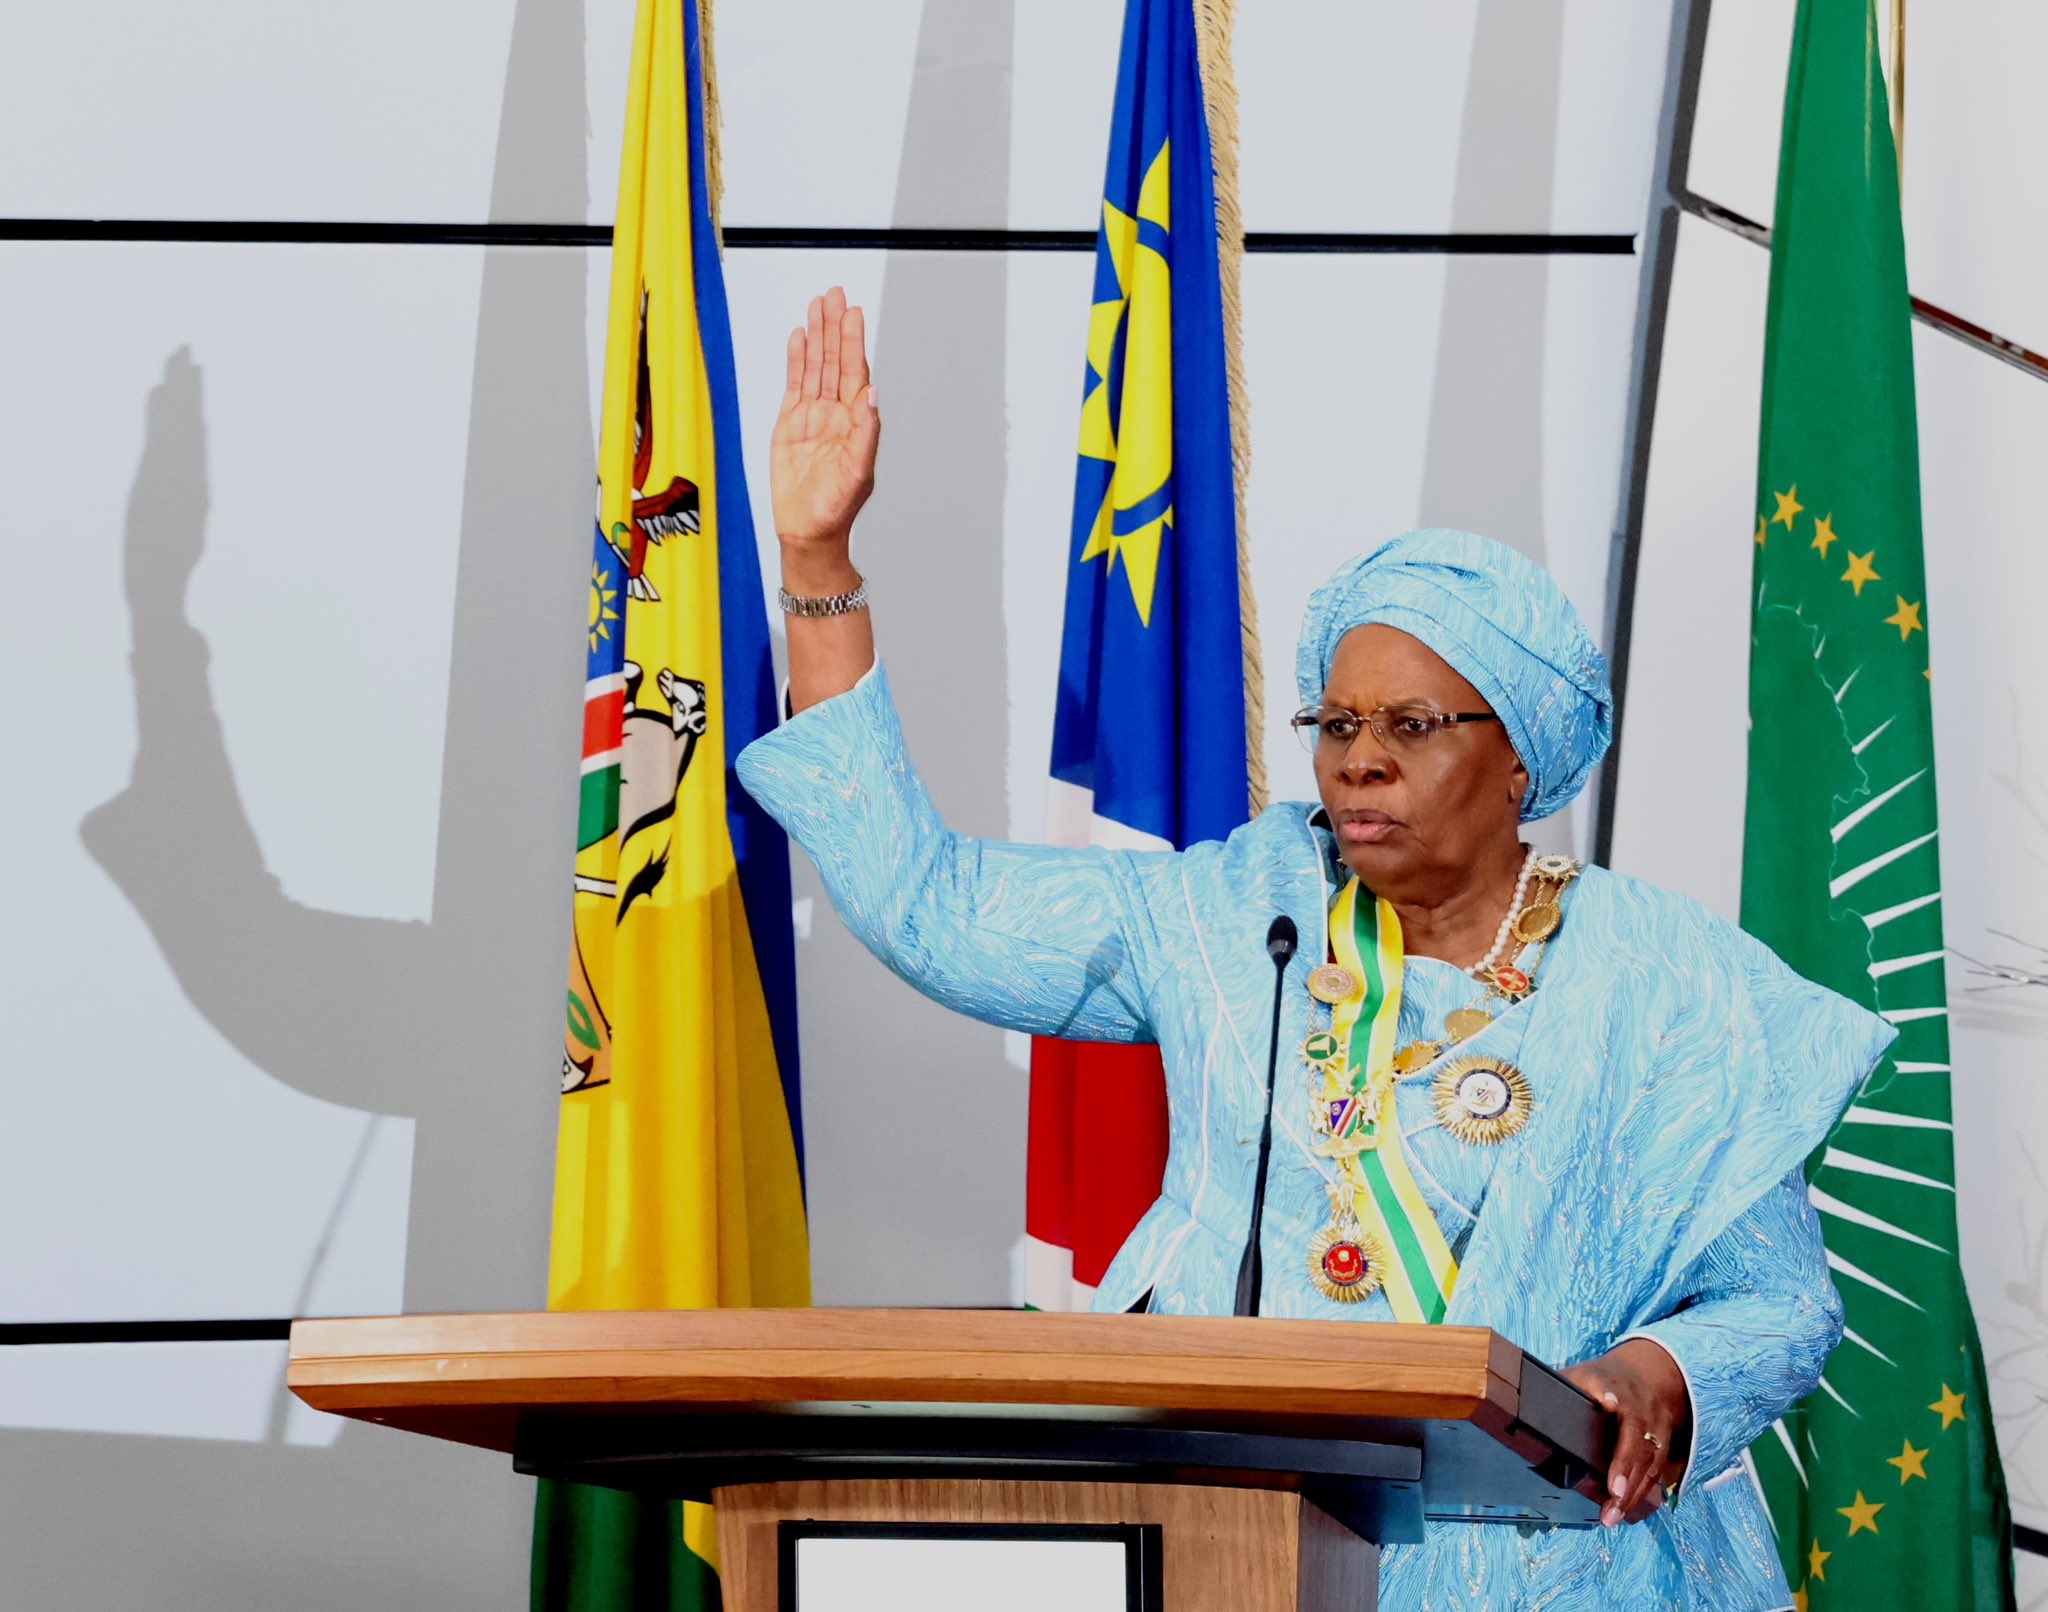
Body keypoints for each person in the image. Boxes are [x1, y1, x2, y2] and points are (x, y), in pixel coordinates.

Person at [737, 287, 1892, 1611]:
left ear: (1517, 757)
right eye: (1336, 726)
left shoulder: (1672, 985)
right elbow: (930, 905)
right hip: (1253, 1549)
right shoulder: (1245, 912)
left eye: (1409, 726)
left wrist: (1654, 1377)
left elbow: (1781, 1305)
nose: (1361, 763)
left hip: (1562, 1570)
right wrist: (820, 561)